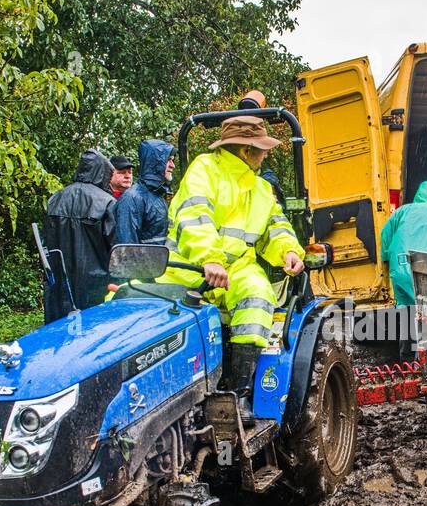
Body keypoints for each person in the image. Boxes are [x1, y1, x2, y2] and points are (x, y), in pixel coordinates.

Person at [158, 116, 305, 421]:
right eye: (262, 149)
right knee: (131, 296)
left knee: (257, 293)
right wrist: (208, 258)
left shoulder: (262, 189)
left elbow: (276, 227)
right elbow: (194, 215)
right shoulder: (205, 170)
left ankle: (238, 395)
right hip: (188, 268)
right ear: (245, 149)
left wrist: (288, 251)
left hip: (236, 269)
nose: (266, 154)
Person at [42, 149, 117, 322]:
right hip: (95, 285)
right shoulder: (107, 202)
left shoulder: (55, 199)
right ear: (102, 172)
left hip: (60, 283)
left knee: (59, 330)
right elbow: (115, 248)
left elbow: (46, 242)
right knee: (92, 332)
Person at [380, 181, 427, 308]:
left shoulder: (403, 211)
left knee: (404, 306)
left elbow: (385, 233)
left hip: (400, 267)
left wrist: (385, 257)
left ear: (417, 195)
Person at [113, 140, 175, 245]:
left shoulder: (158, 195)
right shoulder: (132, 198)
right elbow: (127, 249)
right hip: (147, 261)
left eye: (173, 161)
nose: (172, 165)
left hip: (160, 261)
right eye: (168, 160)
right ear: (155, 163)